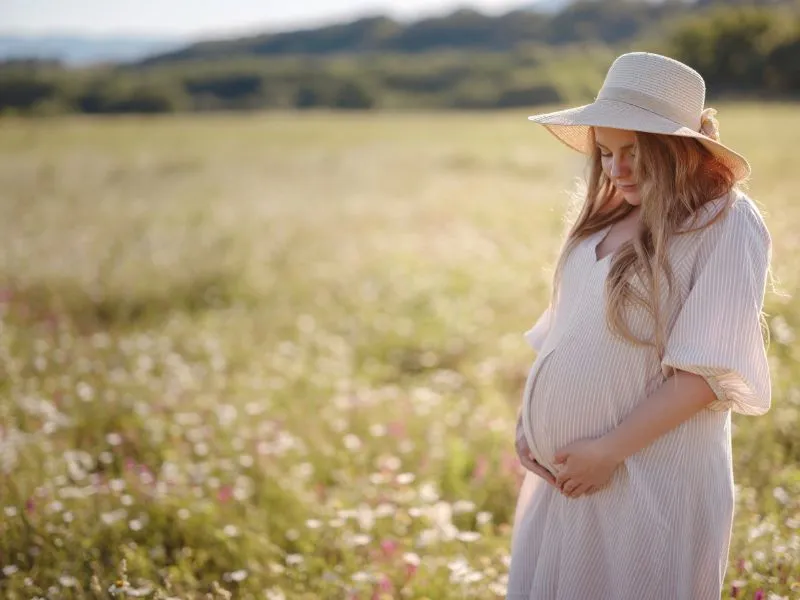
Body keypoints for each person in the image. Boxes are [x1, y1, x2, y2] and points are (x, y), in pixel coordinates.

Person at [507, 52, 772, 600]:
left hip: (646, 475)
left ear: (681, 151)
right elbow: (560, 337)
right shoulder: (602, 218)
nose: (616, 169)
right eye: (606, 152)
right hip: (566, 479)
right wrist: (528, 421)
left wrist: (608, 450)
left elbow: (706, 373)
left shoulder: (722, 221)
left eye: (635, 152)